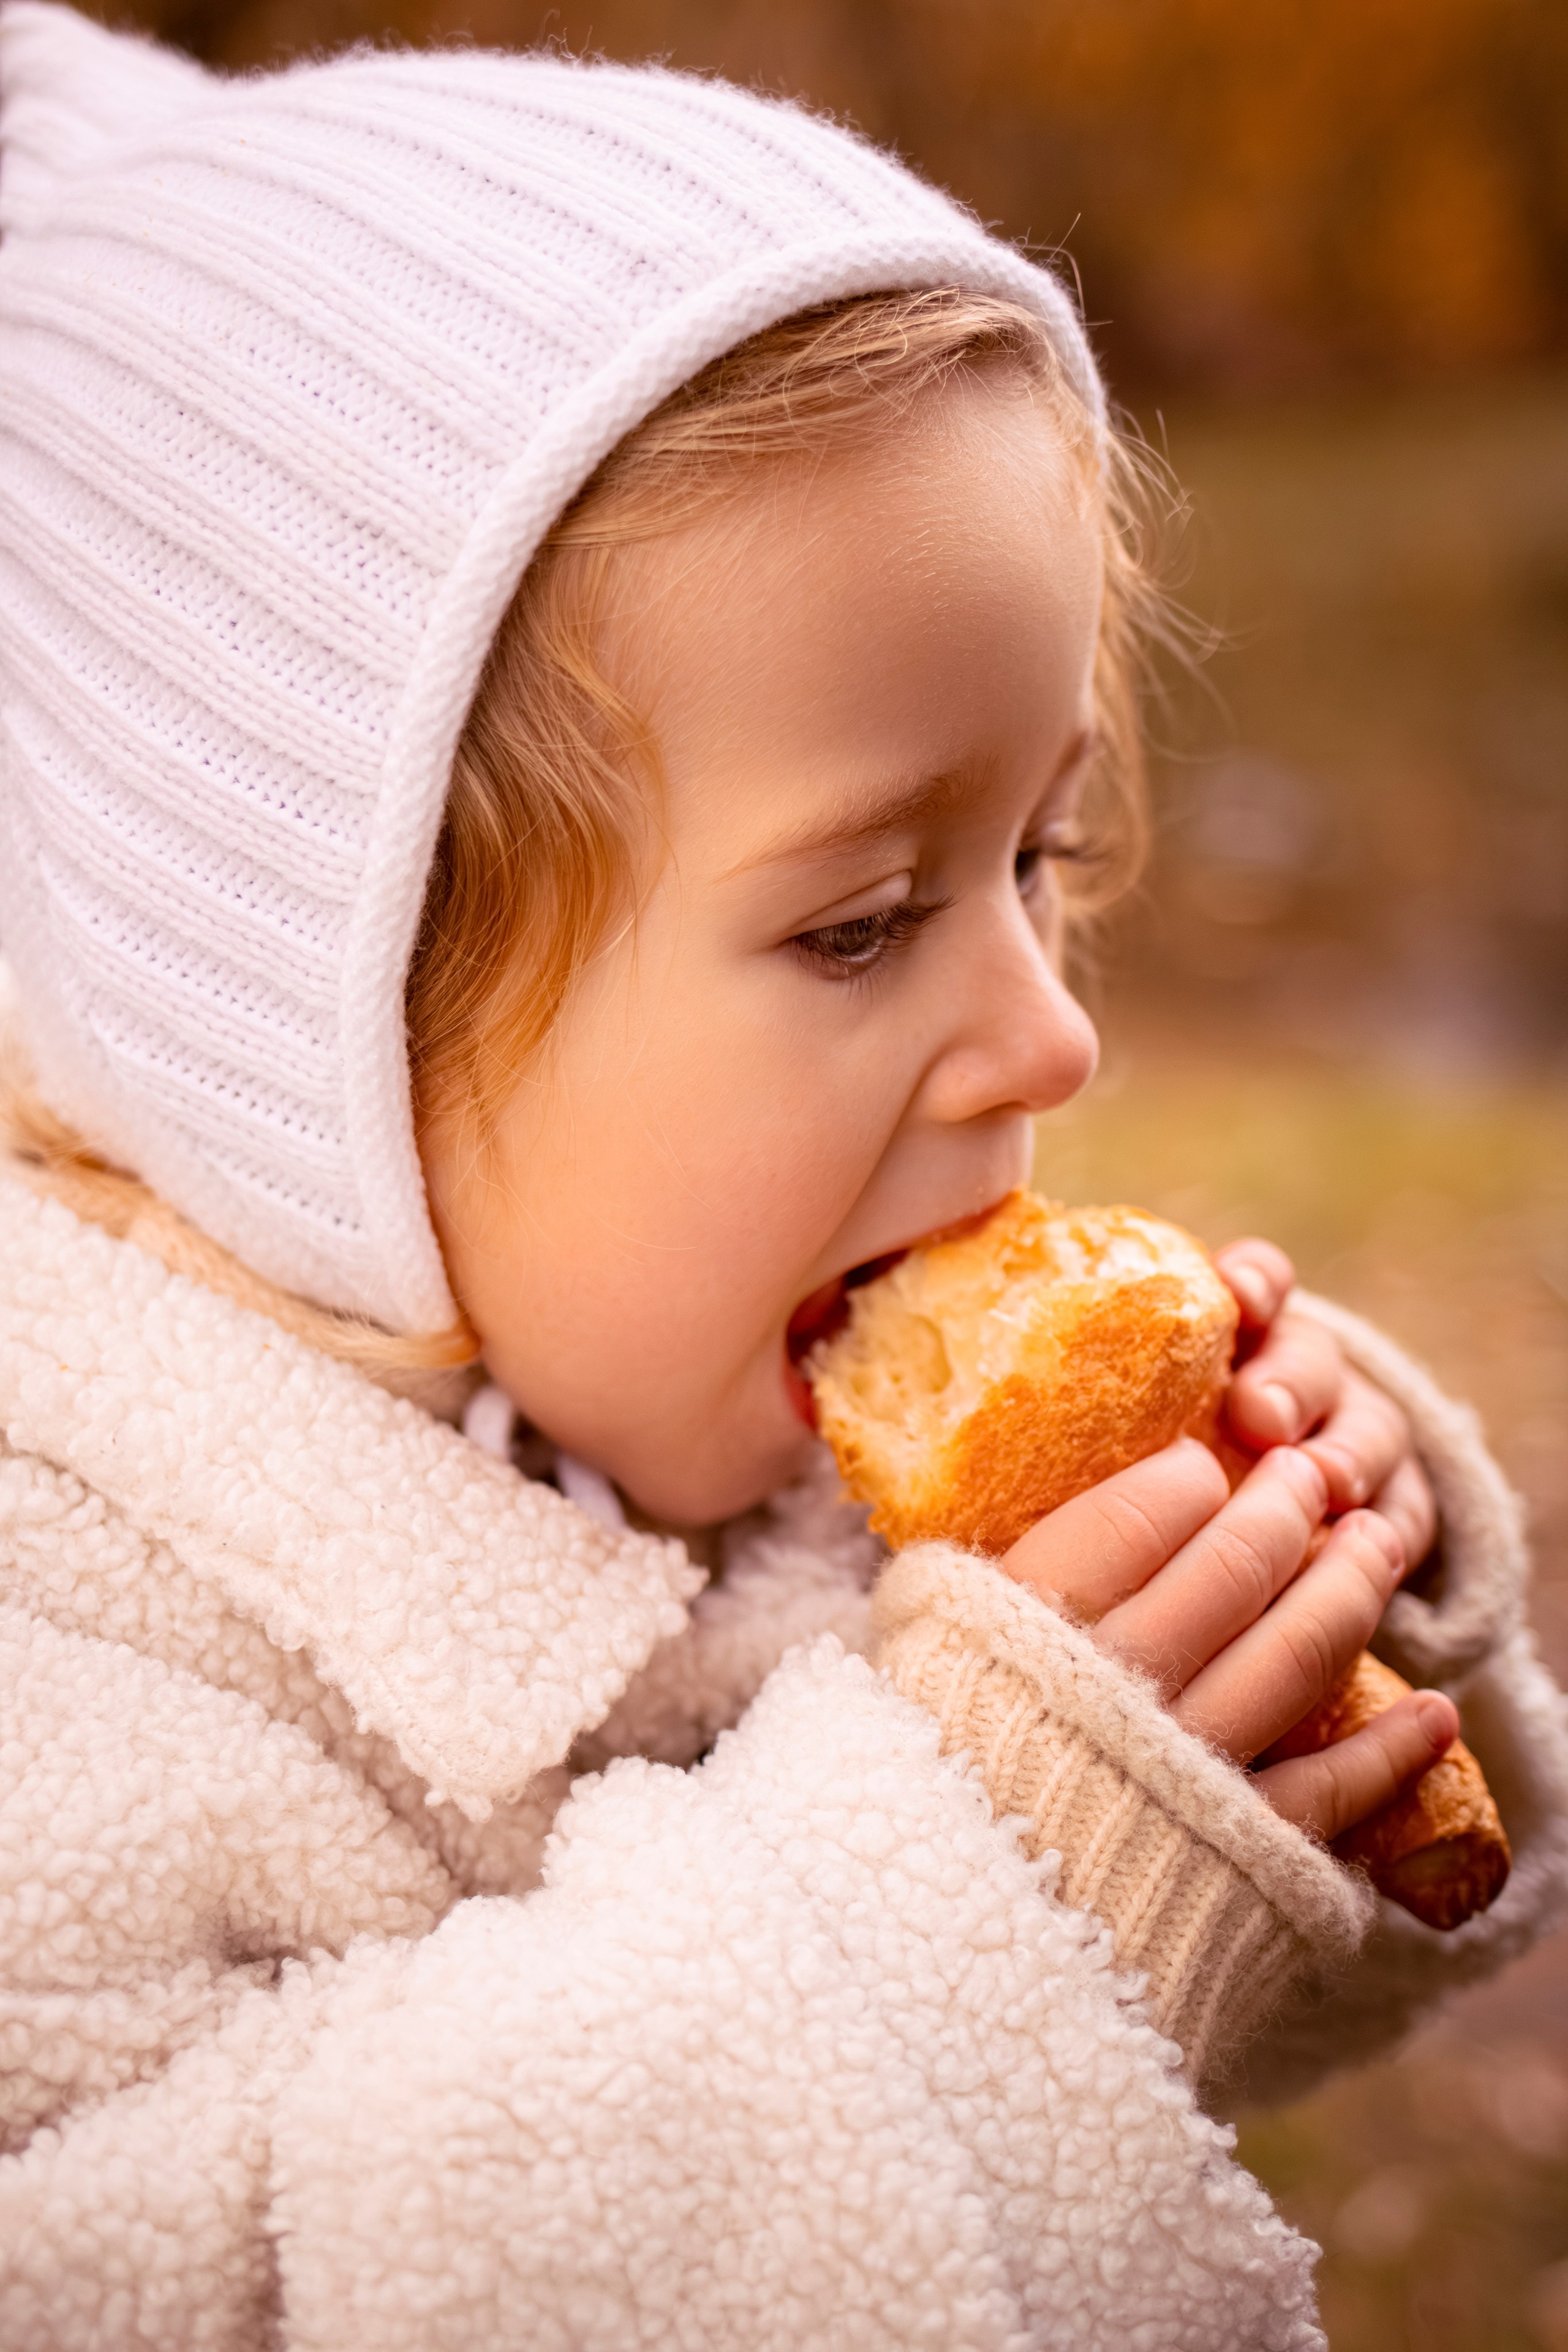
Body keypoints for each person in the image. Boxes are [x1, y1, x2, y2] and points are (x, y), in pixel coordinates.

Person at [0, 9, 1564, 2345]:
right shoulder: (65, 1673)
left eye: (1037, 852)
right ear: (312, 1041)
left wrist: (1260, 1683)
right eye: (858, 918)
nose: (1057, 1029)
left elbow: (1188, 2079)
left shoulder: (721, 1406)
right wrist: (986, 1878)